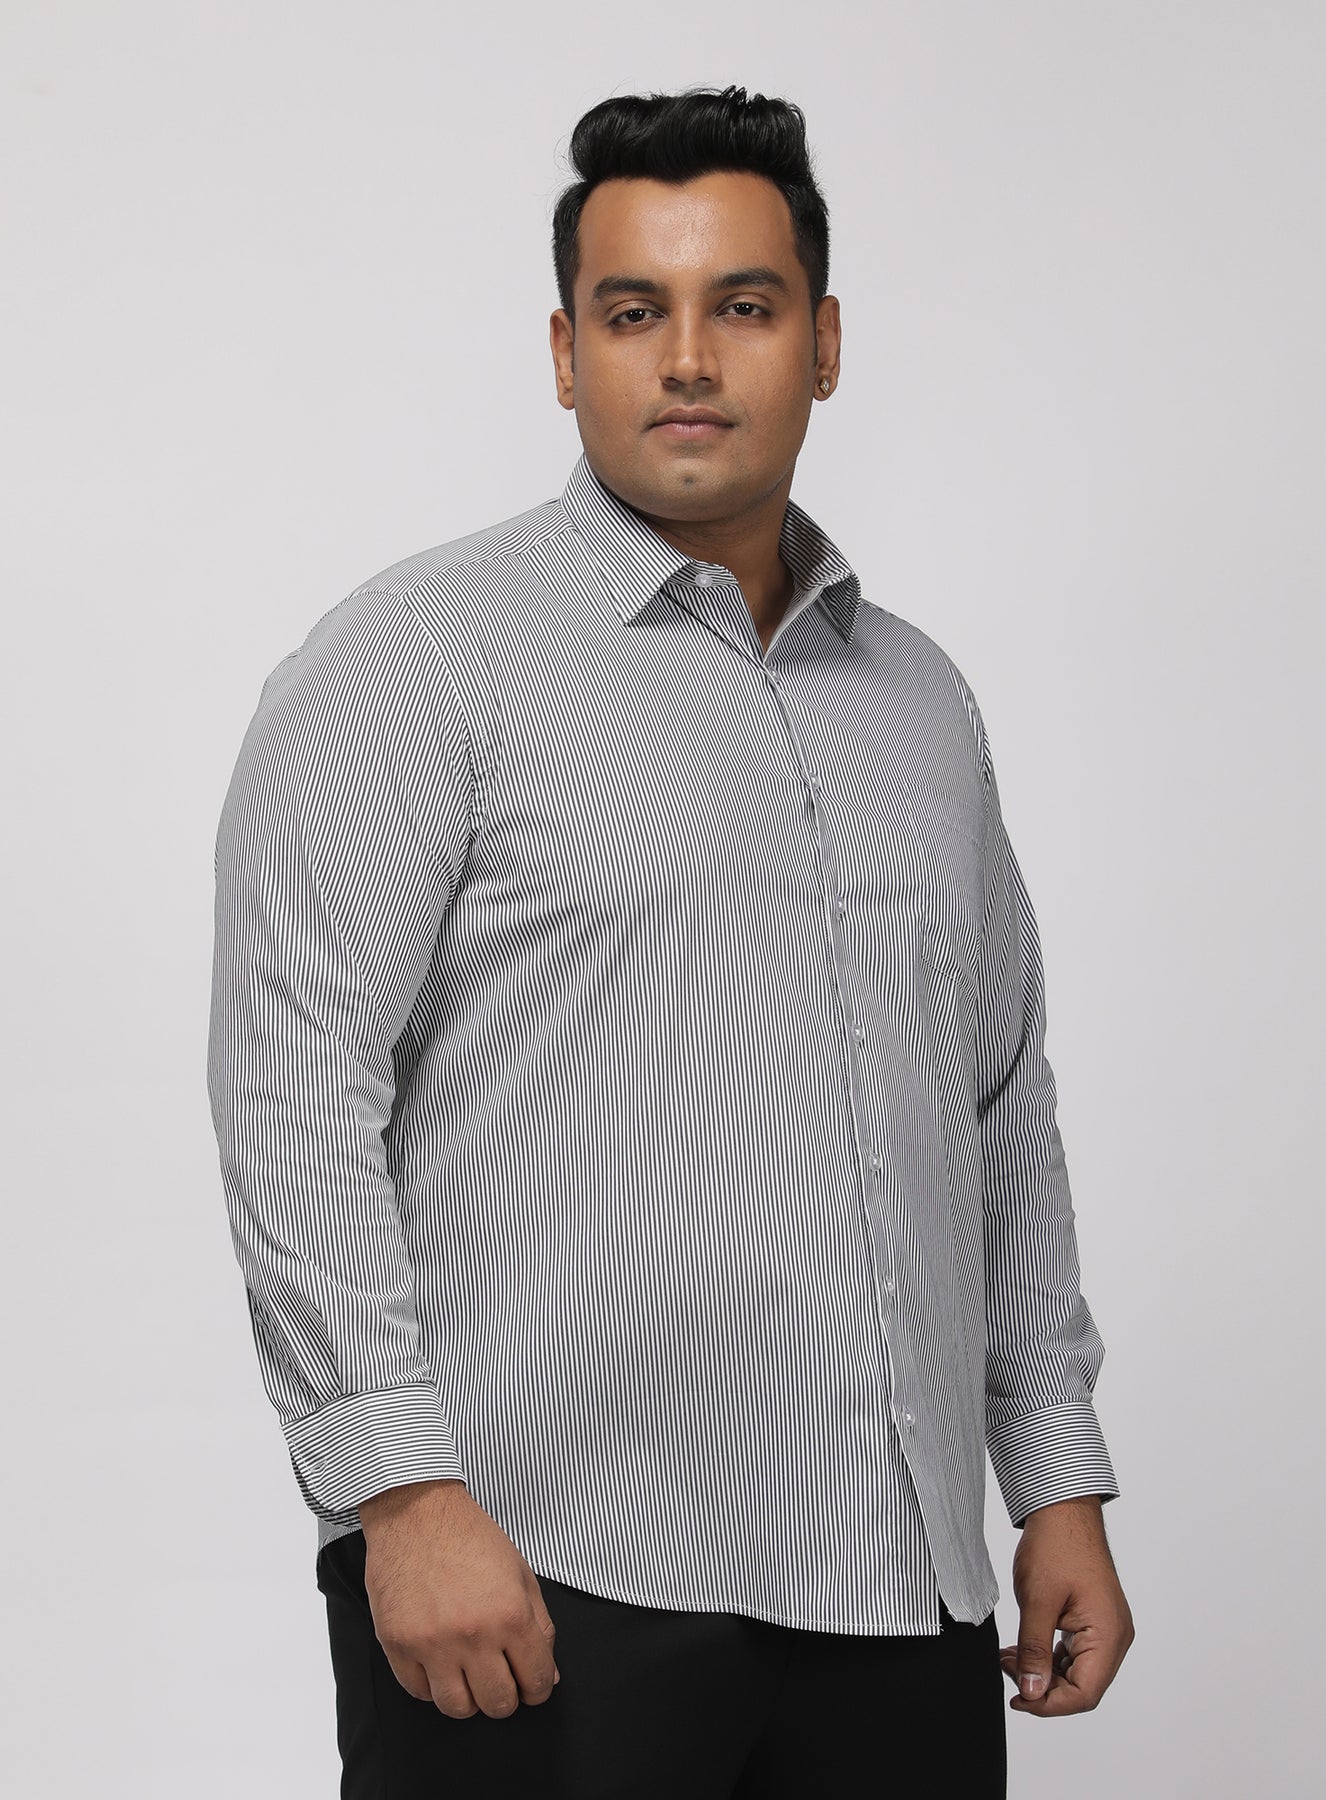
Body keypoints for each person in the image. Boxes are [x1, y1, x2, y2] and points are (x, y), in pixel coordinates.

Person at [207, 84, 1134, 1799]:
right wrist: (397, 1490)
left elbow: (994, 1105)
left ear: (824, 344)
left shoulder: (920, 700)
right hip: (539, 1582)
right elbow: (293, 1084)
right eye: (634, 312)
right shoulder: (420, 656)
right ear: (566, 355)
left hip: (898, 1592)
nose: (689, 359)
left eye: (744, 306)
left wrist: (1051, 1473)